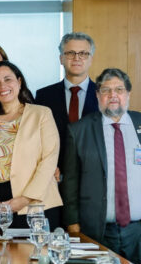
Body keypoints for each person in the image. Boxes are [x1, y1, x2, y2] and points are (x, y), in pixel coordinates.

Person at [61, 68, 141, 264]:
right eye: (106, 90)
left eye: (119, 89)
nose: (113, 95)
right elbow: (70, 181)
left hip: (140, 231)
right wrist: (72, 223)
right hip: (97, 230)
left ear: (128, 94)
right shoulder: (79, 130)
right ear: (97, 95)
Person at [0, 61, 61, 233]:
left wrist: (25, 199)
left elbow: (49, 159)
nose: (2, 86)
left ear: (19, 82)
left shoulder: (41, 114)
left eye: (7, 79)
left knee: (33, 258)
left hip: (35, 204)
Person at [35, 32, 99, 181]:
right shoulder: (43, 96)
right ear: (61, 59)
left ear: (91, 59)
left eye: (83, 53)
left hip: (94, 180)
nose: (77, 58)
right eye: (70, 53)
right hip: (54, 178)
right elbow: (35, 140)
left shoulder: (104, 95)